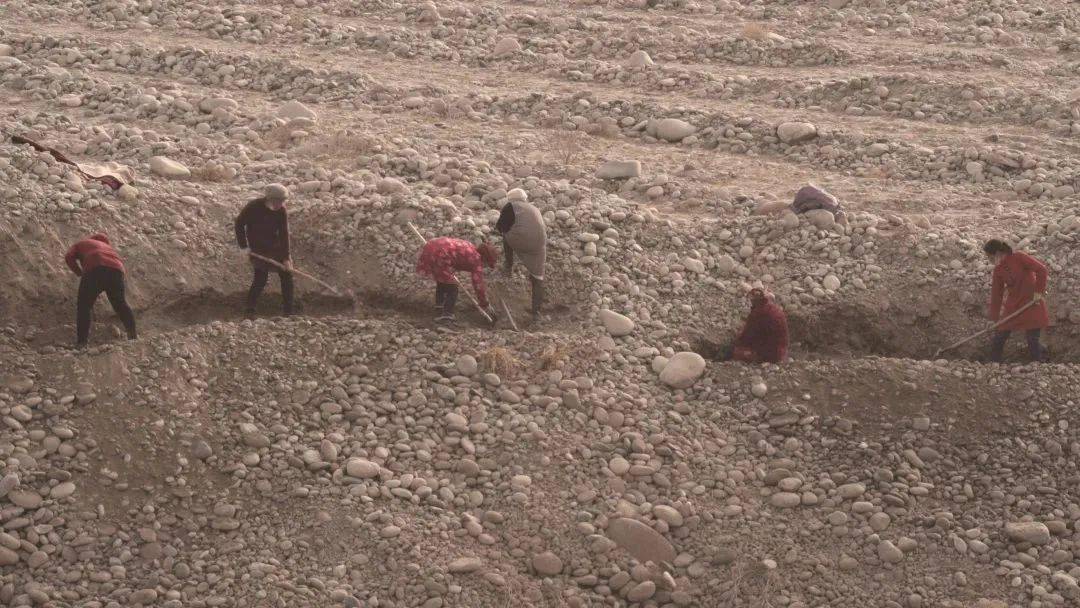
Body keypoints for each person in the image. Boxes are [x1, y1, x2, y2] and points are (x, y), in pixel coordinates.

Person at [64, 233, 137, 347]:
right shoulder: (109, 249)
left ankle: (82, 343)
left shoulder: (82, 243)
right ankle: (133, 336)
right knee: (120, 304)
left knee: (84, 306)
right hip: (117, 270)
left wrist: (79, 272)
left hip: (95, 267)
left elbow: (69, 256)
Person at [984, 239, 1049, 362]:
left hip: (1032, 303)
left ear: (997, 252)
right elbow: (996, 295)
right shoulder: (998, 270)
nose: (989, 260)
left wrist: (1038, 292)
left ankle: (1041, 364)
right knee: (1000, 335)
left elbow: (1042, 270)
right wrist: (993, 319)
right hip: (1013, 306)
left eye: (989, 256)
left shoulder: (1019, 257)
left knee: (1032, 339)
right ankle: (993, 364)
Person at [235, 184, 293, 317]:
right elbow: (239, 224)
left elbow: (284, 234)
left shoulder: (281, 211)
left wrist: (286, 258)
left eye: (282, 201)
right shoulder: (253, 207)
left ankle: (288, 312)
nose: (281, 204)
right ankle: (250, 310)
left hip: (275, 247)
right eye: (278, 201)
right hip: (258, 248)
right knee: (261, 278)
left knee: (287, 275)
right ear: (269, 199)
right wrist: (243, 247)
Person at [416, 237, 498, 324]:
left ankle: (440, 307)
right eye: (487, 263)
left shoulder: (470, 247)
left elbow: (456, 256)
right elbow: (478, 285)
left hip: (432, 245)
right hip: (442, 254)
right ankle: (446, 316)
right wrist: (484, 302)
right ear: (485, 258)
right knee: (453, 288)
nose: (485, 266)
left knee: (443, 281)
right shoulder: (476, 261)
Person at [494, 198, 547, 322]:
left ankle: (508, 266)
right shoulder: (534, 208)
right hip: (539, 245)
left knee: (505, 236)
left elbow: (500, 227)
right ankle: (536, 314)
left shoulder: (511, 206)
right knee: (538, 278)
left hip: (521, 240)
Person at [723, 288, 789, 364]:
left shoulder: (759, 313)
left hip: (772, 354)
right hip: (781, 350)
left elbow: (747, 336)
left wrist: (735, 343)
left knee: (733, 352)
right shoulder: (772, 307)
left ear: (755, 301)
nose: (750, 302)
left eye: (751, 300)